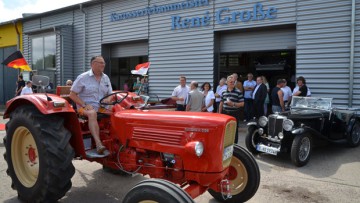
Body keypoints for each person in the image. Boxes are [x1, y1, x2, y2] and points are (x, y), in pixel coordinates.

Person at [69, 56, 112, 155]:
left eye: (104, 63)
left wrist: (108, 99)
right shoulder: (83, 77)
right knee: (92, 113)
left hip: (101, 107)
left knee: (118, 111)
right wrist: (84, 105)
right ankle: (98, 144)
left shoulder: (106, 78)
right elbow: (72, 94)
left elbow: (110, 94)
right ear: (93, 64)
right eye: (100, 62)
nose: (103, 65)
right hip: (83, 108)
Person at [219, 75, 244, 143]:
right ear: (227, 82)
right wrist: (219, 113)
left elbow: (242, 103)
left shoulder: (238, 92)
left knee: (234, 130)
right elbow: (221, 103)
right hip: (225, 113)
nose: (232, 83)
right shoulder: (223, 91)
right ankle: (225, 143)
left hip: (234, 113)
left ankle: (235, 146)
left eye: (233, 82)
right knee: (225, 129)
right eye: (231, 82)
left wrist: (233, 104)